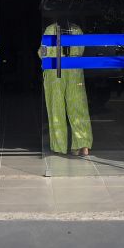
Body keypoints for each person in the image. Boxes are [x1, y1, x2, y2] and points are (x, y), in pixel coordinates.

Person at [39, 19, 93, 157]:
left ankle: (59, 146)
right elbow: (81, 50)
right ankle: (82, 145)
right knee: (78, 107)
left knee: (56, 108)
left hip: (55, 70)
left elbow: (43, 52)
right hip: (74, 69)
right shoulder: (77, 30)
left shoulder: (50, 29)